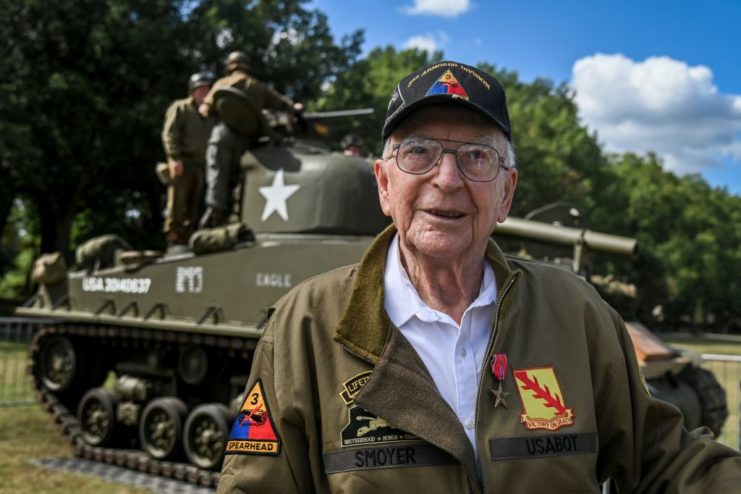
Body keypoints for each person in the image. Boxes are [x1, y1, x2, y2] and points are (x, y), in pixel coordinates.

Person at [217, 61, 741, 493]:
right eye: (419, 152)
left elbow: (667, 461)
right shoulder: (307, 324)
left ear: (506, 193)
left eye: (476, 157)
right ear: (383, 184)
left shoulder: (574, 313)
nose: (447, 180)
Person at [199, 50, 303, 228]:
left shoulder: (221, 84)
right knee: (240, 179)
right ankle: (235, 218)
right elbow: (283, 103)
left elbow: (205, 110)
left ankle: (214, 212)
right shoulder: (257, 86)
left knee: (217, 174)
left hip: (222, 136)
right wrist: (295, 107)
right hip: (247, 142)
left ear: (230, 66)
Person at [161, 72, 214, 248]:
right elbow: (170, 133)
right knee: (177, 201)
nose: (204, 93)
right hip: (182, 161)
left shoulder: (208, 114)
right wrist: (174, 158)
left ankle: (187, 236)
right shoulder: (180, 108)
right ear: (192, 91)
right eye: (200, 89)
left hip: (199, 164)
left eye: (207, 89)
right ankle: (173, 236)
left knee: (193, 204)